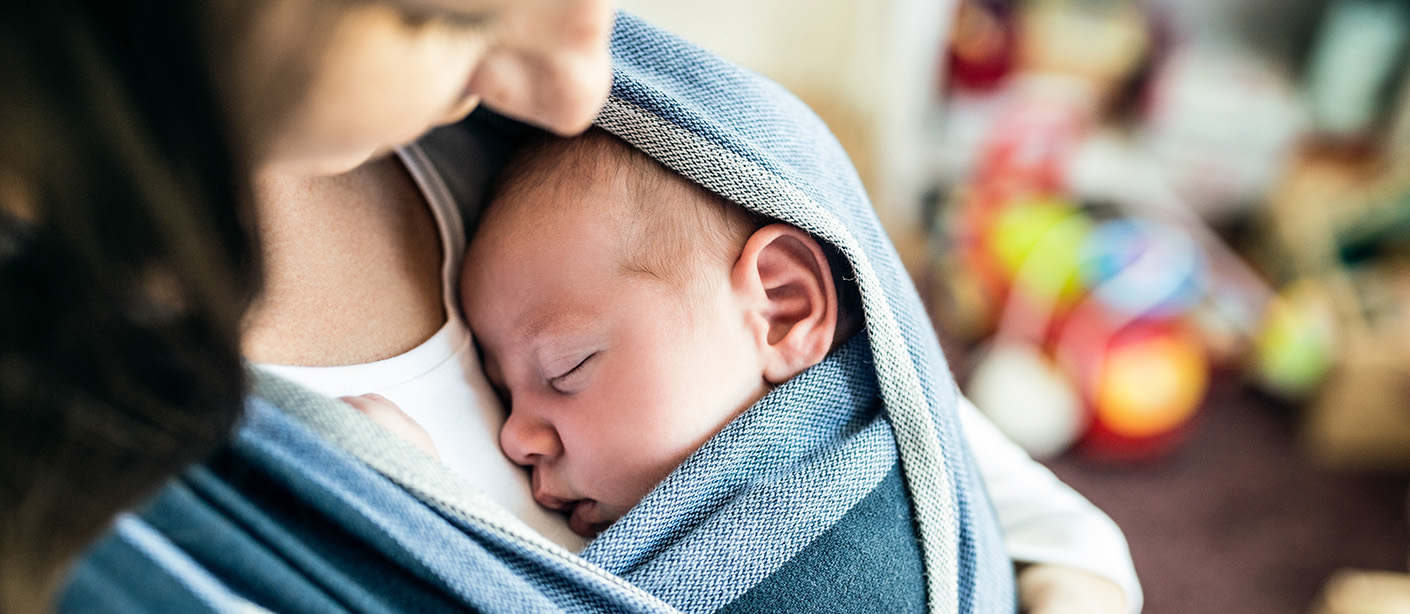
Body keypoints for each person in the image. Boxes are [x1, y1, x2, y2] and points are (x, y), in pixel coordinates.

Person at [4, 1, 1137, 612]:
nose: (580, 83)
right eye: (441, 15)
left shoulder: (643, 158)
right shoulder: (98, 507)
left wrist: (1067, 579)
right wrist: (441, 504)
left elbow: (948, 462)